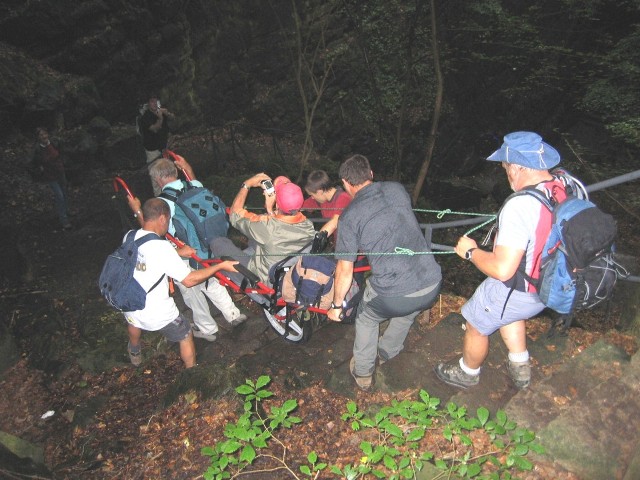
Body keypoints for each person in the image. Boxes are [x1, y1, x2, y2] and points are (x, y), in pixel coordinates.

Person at [435, 131, 567, 390]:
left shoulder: (520, 206)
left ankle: (467, 373)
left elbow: (503, 270)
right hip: (551, 283)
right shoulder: (561, 186)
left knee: (475, 321)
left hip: (521, 288)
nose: (505, 173)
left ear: (518, 167)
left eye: (506, 167)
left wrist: (470, 252)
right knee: (508, 311)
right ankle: (520, 367)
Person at [327, 155, 442, 391]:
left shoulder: (349, 216)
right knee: (408, 311)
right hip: (432, 284)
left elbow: (345, 268)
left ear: (346, 184)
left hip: (396, 293)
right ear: (371, 174)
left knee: (366, 317)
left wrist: (336, 305)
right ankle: (389, 351)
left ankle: (363, 373)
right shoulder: (397, 189)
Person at [127, 156, 247, 342]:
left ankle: (208, 329)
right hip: (211, 244)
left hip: (187, 252)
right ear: (176, 172)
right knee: (211, 278)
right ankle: (232, 314)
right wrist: (188, 168)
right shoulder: (194, 185)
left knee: (191, 292)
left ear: (158, 179)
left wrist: (136, 210)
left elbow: (150, 229)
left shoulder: (163, 203)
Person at [123, 198, 238, 368]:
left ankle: (134, 349)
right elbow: (189, 280)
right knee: (185, 334)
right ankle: (191, 373)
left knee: (134, 323)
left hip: (131, 302)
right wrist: (220, 266)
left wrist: (178, 251)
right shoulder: (163, 248)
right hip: (159, 314)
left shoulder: (130, 236)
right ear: (162, 218)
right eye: (168, 220)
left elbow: (150, 248)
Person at [211, 174, 316, 286]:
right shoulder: (308, 225)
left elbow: (234, 215)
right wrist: (270, 209)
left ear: (278, 203)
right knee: (253, 239)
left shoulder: (267, 227)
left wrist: (247, 184)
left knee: (218, 243)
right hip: (288, 274)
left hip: (264, 281)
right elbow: (277, 225)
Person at [31, 127, 71, 230]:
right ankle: (64, 220)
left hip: (60, 172)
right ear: (38, 137)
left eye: (45, 134)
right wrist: (40, 170)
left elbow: (62, 152)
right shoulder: (38, 149)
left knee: (65, 193)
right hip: (50, 176)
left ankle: (67, 211)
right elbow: (34, 163)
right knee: (60, 196)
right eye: (41, 135)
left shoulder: (54, 143)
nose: (44, 136)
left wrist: (62, 163)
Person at [302, 170, 352, 238]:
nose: (312, 198)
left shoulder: (344, 198)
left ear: (320, 191)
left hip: (351, 244)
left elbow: (334, 223)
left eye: (312, 195)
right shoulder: (322, 199)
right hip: (338, 243)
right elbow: (299, 205)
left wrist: (316, 241)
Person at [138, 94, 175, 163]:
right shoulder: (145, 117)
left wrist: (168, 114)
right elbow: (154, 129)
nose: (155, 104)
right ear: (148, 104)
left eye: (156, 101)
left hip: (164, 146)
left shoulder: (161, 112)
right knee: (155, 168)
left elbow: (173, 118)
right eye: (152, 102)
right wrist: (160, 118)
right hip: (152, 149)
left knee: (167, 165)